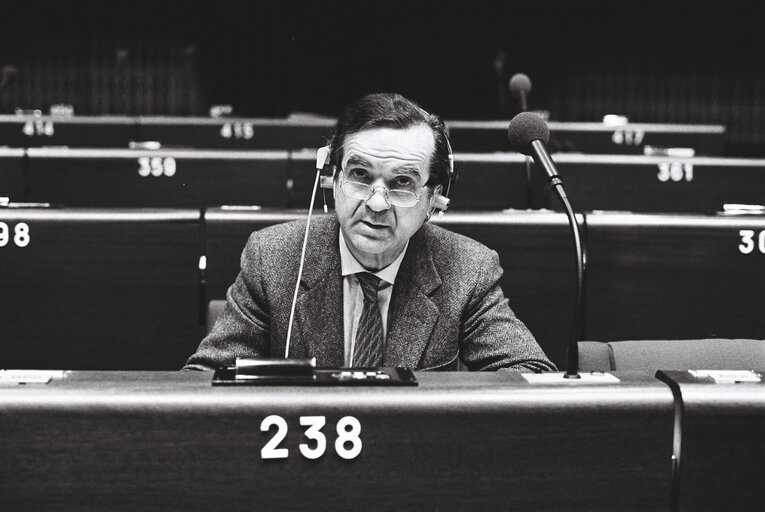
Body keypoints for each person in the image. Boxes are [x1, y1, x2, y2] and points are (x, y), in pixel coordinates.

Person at [184, 93, 555, 372]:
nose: (377, 204)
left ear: (435, 200)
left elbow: (529, 376)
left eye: (402, 183)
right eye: (360, 176)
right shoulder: (273, 257)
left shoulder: (468, 270)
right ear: (333, 179)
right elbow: (203, 382)